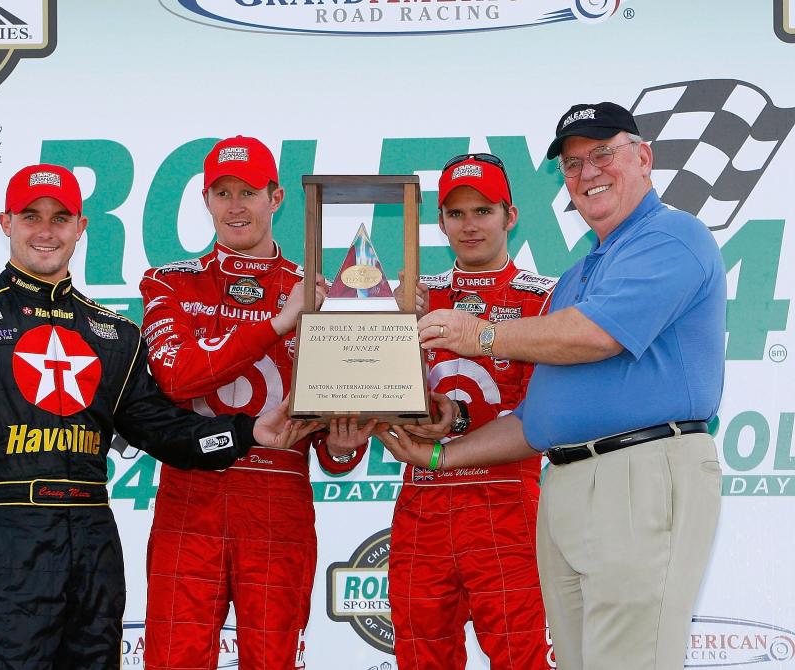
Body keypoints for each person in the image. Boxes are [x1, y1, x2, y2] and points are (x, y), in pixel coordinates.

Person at [0, 163, 312, 670]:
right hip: (7, 530)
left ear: (81, 228)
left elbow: (165, 433)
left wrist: (247, 431)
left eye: (61, 218)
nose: (45, 230)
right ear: (5, 222)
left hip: (93, 534)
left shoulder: (113, 333)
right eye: (31, 216)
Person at [378, 102, 725, 670]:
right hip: (567, 481)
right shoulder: (577, 275)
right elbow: (534, 420)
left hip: (639, 469)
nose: (587, 172)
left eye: (602, 155)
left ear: (644, 157)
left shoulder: (671, 236)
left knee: (626, 660)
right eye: (571, 164)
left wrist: (481, 335)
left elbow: (597, 336)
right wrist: (440, 453)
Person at [138, 136, 374, 669]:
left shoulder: (320, 294)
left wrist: (345, 444)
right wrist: (277, 323)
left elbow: (338, 438)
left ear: (276, 196)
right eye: (223, 192)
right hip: (190, 497)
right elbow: (177, 379)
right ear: (206, 199)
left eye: (249, 191)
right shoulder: (168, 282)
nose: (236, 205)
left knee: (272, 660)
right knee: (173, 659)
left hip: (279, 498)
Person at [389, 154, 555, 669]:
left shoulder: (543, 299)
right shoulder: (414, 296)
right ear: (440, 222)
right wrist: (390, 327)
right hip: (422, 505)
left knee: (523, 658)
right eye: (456, 213)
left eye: (483, 210)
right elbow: (383, 401)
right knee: (421, 658)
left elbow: (540, 417)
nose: (469, 225)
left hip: (506, 502)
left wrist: (454, 427)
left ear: (511, 215)